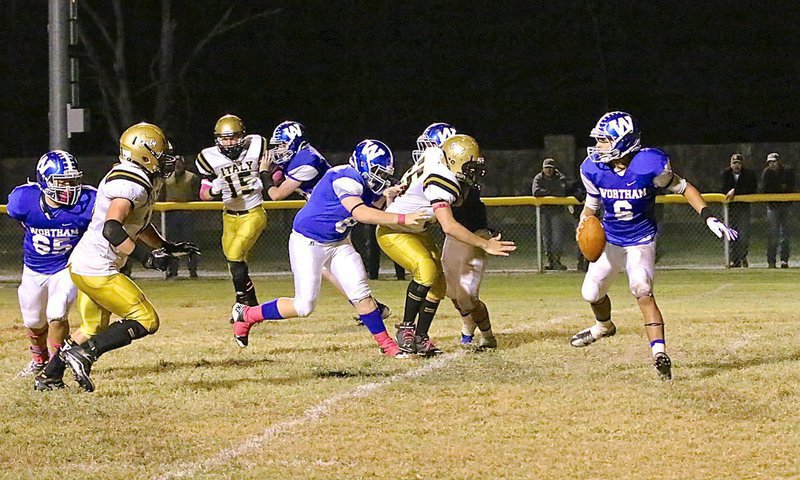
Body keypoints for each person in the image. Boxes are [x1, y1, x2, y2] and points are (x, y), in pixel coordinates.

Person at [570, 111, 737, 381]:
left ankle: (659, 353)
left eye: (604, 140)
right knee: (590, 293)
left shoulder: (649, 164)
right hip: (611, 239)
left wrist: (709, 216)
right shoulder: (593, 168)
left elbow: (684, 188)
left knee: (642, 289)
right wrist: (584, 222)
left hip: (640, 239)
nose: (598, 146)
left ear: (623, 142)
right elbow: (591, 207)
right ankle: (604, 327)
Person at [40, 122, 200, 392]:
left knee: (91, 327)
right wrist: (147, 257)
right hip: (97, 267)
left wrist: (164, 245)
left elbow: (137, 223)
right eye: (161, 154)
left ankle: (49, 375)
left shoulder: (141, 177)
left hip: (87, 263)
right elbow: (112, 228)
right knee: (146, 319)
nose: (167, 159)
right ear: (144, 154)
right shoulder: (130, 184)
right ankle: (85, 354)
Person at [231, 140, 428, 357]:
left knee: (360, 293)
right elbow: (362, 214)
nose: (380, 178)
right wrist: (404, 218)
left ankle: (388, 346)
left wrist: (389, 195)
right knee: (304, 306)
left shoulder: (362, 180)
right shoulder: (346, 178)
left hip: (338, 243)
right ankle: (248, 314)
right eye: (377, 172)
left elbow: (377, 206)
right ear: (363, 165)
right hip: (309, 242)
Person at [378, 134, 516, 356]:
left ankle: (421, 338)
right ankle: (406, 329)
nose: (472, 171)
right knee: (427, 270)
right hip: (395, 230)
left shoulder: (434, 155)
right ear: (452, 160)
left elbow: (428, 157)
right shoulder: (444, 180)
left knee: (439, 285)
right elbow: (449, 226)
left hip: (417, 229)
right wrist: (485, 244)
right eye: (469, 166)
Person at [264, 121, 395, 319]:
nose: (279, 150)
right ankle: (368, 306)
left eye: (282, 145)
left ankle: (367, 306)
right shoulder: (302, 156)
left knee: (332, 264)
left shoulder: (307, 160)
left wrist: (264, 172)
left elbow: (275, 194)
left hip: (333, 210)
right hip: (330, 210)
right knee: (332, 266)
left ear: (295, 142)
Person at [6, 151, 95, 384]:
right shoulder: (24, 199)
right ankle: (39, 358)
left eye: (73, 181)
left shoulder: (88, 202)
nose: (69, 188)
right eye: (62, 182)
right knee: (33, 321)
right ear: (45, 180)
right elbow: (21, 220)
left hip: (66, 267)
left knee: (56, 314)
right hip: (34, 268)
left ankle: (55, 366)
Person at [414, 123, 499, 349]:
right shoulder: (441, 174)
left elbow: (450, 218)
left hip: (473, 234)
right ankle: (466, 331)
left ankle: (488, 336)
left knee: (466, 296)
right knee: (452, 291)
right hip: (456, 236)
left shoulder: (455, 179)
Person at [197, 114, 268, 306]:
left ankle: (241, 303)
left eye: (233, 138)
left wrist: (266, 176)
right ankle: (252, 304)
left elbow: (275, 169)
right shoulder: (208, 157)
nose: (228, 143)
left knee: (235, 254)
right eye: (224, 138)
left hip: (253, 212)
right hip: (229, 216)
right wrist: (213, 189)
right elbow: (203, 194)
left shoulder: (256, 145)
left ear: (242, 137)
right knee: (234, 261)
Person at [160, 153, 201, 278]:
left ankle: (192, 270)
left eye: (180, 162)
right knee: (171, 243)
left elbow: (196, 194)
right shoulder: (167, 178)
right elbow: (163, 194)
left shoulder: (192, 177)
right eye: (176, 163)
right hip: (171, 213)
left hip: (186, 213)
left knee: (189, 242)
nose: (178, 165)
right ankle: (172, 271)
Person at [532, 158, 571, 270]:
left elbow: (562, 192)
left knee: (557, 238)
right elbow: (536, 192)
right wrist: (551, 192)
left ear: (554, 169)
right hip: (544, 212)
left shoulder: (560, 177)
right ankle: (550, 262)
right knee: (546, 238)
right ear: (543, 169)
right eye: (546, 168)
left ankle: (556, 261)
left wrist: (545, 192)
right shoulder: (539, 177)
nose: (548, 170)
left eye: (550, 168)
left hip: (557, 211)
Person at [721, 153, 758, 267]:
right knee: (731, 234)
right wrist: (733, 190)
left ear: (742, 165)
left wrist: (734, 191)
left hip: (743, 207)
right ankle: (734, 260)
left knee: (744, 235)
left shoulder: (749, 174)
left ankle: (743, 257)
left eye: (739, 163)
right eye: (734, 163)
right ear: (730, 164)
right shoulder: (726, 174)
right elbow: (723, 189)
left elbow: (751, 188)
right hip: (730, 209)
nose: (736, 166)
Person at [761, 152, 795, 268]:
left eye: (774, 162)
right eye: (770, 162)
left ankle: (784, 260)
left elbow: (790, 187)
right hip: (773, 207)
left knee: (785, 234)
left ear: (778, 161)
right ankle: (771, 261)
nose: (772, 164)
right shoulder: (767, 173)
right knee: (773, 234)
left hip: (786, 206)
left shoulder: (787, 171)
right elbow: (766, 189)